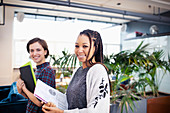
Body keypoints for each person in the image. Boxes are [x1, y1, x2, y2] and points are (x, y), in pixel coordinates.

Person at [42, 29, 110, 113]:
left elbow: (97, 110)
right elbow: (69, 103)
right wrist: (53, 105)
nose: (79, 50)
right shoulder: (78, 71)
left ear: (95, 48)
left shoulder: (98, 70)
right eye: (77, 46)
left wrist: (62, 112)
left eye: (85, 46)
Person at [17, 37, 56, 113]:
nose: (34, 53)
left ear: (45, 52)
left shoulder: (47, 71)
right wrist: (20, 90)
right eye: (32, 50)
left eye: (38, 50)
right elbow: (31, 98)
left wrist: (24, 89)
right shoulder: (36, 70)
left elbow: (39, 102)